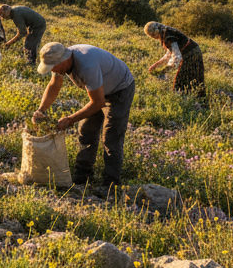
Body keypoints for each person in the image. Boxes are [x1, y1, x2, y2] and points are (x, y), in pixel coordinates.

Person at [35, 42, 135, 192]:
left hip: (120, 89)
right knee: (86, 130)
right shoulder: (62, 59)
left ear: (63, 61)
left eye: (53, 67)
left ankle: (110, 185)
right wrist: (41, 110)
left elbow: (98, 102)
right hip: (100, 89)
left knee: (111, 137)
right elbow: (55, 84)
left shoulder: (87, 66)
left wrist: (70, 120)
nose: (53, 71)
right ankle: (83, 176)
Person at [144, 21, 207, 101]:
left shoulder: (168, 36)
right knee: (194, 79)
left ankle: (192, 103)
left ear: (153, 34)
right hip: (193, 52)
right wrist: (156, 65)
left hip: (191, 54)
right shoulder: (166, 32)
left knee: (182, 82)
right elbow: (169, 54)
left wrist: (165, 70)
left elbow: (176, 56)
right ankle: (198, 102)